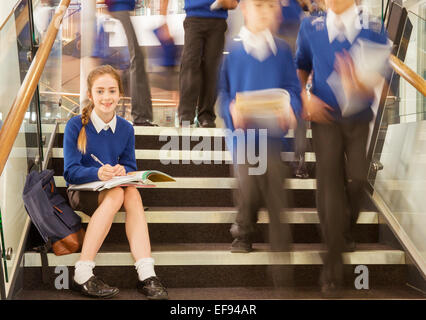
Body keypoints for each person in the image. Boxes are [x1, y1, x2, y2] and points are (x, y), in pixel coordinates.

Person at [295, 0, 390, 296]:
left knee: (359, 178)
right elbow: (300, 67)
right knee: (330, 185)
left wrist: (360, 86)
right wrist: (305, 97)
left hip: (359, 120)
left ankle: (342, 229)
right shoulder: (310, 27)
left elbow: (383, 82)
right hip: (324, 119)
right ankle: (332, 267)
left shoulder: (374, 28)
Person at [63, 65, 168, 299]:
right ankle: (82, 271)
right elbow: (70, 172)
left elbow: (130, 164)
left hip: (112, 187)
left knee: (130, 192)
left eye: (111, 91)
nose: (106, 97)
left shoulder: (126, 128)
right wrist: (97, 173)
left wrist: (123, 170)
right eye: (100, 91)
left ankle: (146, 274)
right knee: (120, 194)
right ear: (90, 95)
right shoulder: (75, 126)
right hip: (83, 191)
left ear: (119, 94)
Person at [219, 0, 301, 257]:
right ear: (245, 10)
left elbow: (293, 89)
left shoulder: (283, 50)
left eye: (269, 6)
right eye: (258, 5)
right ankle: (243, 231)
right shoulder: (233, 52)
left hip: (274, 136)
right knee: (248, 185)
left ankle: (280, 242)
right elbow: (223, 93)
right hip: (243, 136)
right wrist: (231, 110)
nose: (265, 11)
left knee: (275, 182)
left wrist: (290, 109)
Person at [161, 0, 239, 128]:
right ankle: (186, 116)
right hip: (194, 19)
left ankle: (207, 116)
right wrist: (163, 21)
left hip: (218, 22)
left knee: (212, 69)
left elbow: (233, 3)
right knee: (190, 65)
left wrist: (224, 2)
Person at [105, 0, 157, 126]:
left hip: (122, 8)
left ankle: (142, 116)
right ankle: (140, 117)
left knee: (138, 59)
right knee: (137, 59)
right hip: (119, 8)